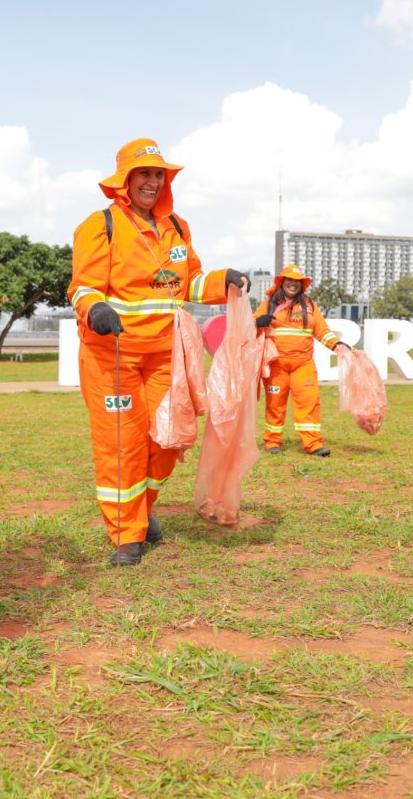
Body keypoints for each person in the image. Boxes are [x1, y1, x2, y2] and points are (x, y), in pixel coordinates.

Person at [69, 138, 250, 566]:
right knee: (124, 445)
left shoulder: (178, 228)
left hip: (166, 356)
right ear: (124, 181)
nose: (152, 181)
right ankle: (127, 534)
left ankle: (142, 510)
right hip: (112, 356)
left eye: (158, 174)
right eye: (143, 174)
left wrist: (224, 279)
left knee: (169, 441)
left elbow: (189, 283)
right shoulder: (101, 225)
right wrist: (95, 307)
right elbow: (83, 286)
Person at [254, 264, 345, 457]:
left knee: (309, 401)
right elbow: (249, 325)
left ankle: (313, 444)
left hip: (303, 364)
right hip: (276, 364)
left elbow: (322, 331)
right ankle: (272, 442)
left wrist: (337, 345)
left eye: (297, 282)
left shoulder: (310, 305)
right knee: (275, 404)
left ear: (301, 285)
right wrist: (257, 322)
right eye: (289, 281)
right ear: (282, 282)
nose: (293, 284)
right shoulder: (269, 302)